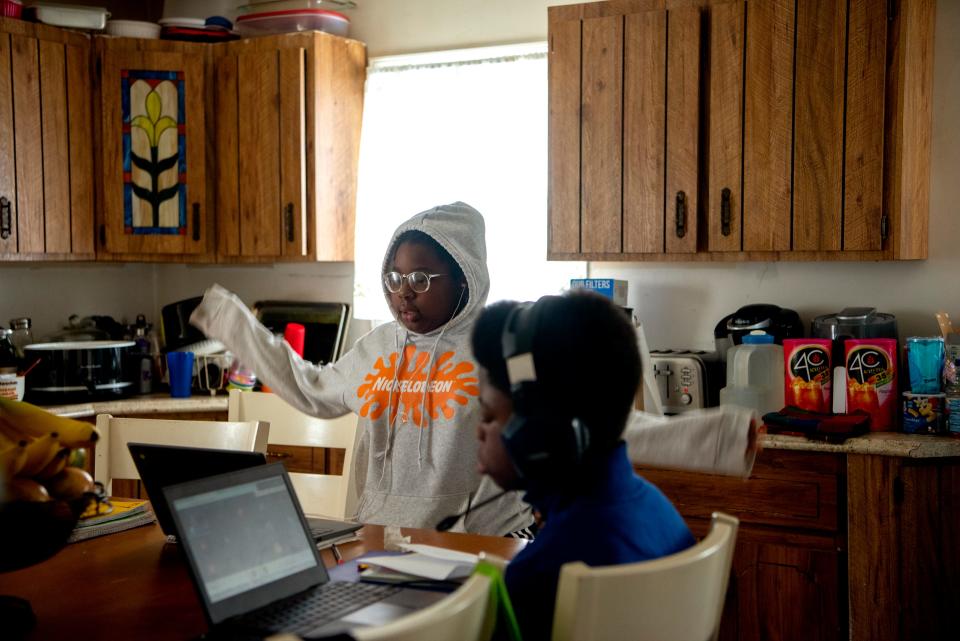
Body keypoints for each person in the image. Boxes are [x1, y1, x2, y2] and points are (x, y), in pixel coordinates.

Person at [191, 201, 756, 537]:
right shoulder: (377, 346)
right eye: (393, 278)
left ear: (464, 276)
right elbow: (312, 391)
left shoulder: (498, 344)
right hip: (377, 540)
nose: (403, 294)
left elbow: (587, 425)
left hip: (477, 540)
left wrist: (723, 437)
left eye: (421, 278)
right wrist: (234, 322)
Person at [471, 292, 697, 641]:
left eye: (488, 414)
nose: (478, 431)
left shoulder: (546, 569)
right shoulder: (654, 507)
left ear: (538, 431)